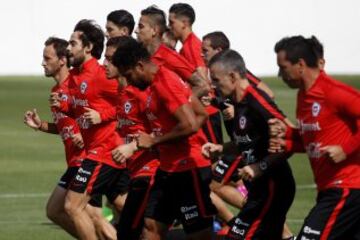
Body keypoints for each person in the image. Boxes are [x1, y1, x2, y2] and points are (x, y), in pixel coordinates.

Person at [112, 37, 217, 240]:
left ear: (140, 66)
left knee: (199, 234)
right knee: (151, 227)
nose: (129, 81)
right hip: (168, 168)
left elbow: (189, 124)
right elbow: (200, 114)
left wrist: (154, 141)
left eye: (129, 74)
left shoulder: (165, 83)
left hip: (188, 168)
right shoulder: (155, 83)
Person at [202, 31, 294, 239]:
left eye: (216, 80)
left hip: (273, 186)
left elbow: (292, 138)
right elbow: (246, 142)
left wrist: (259, 167)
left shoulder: (256, 101)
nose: (214, 86)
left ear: (233, 76)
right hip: (259, 189)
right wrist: (221, 149)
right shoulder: (236, 101)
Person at [269, 35, 360, 239]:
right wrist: (287, 139)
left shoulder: (333, 92)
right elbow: (313, 140)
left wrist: (345, 150)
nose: (279, 74)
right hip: (329, 189)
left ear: (300, 65)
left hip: (347, 187)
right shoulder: (303, 96)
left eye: (283, 67)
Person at [24, 37, 109, 239]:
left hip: (88, 159)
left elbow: (96, 113)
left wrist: (84, 131)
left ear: (62, 60)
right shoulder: (55, 92)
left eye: (47, 58)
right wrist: (42, 126)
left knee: (92, 216)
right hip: (74, 160)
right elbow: (66, 127)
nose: (43, 63)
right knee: (57, 211)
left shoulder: (76, 84)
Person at [50, 19, 126, 240]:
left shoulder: (103, 74)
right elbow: (80, 110)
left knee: (73, 206)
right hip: (96, 153)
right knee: (124, 206)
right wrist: (63, 106)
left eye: (73, 43)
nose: (68, 48)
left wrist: (102, 115)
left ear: (89, 47)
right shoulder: (74, 76)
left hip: (105, 151)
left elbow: (126, 104)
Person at [104, 36, 160, 240]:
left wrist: (133, 146)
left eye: (110, 59)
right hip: (135, 169)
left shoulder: (141, 92)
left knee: (130, 232)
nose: (105, 64)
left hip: (151, 170)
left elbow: (165, 129)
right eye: (105, 58)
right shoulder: (121, 93)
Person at [135, 5, 209, 97]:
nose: (136, 31)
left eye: (141, 26)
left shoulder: (169, 56)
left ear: (154, 30)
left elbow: (204, 85)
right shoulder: (143, 58)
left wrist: (182, 105)